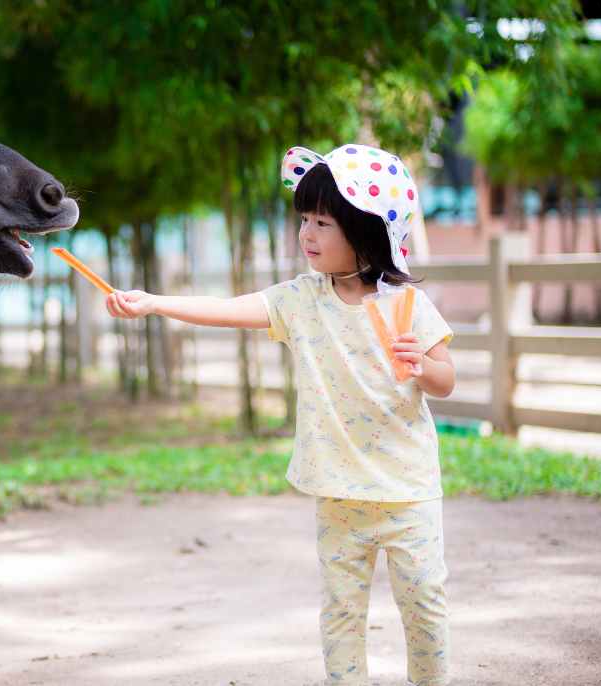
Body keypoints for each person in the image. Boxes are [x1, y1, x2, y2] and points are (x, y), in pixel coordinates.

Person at [107, 144, 455, 686]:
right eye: (304, 220)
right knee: (341, 612)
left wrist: (422, 368)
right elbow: (230, 310)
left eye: (323, 222)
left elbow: (446, 379)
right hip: (338, 491)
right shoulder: (301, 300)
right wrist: (154, 302)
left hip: (408, 490)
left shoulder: (407, 306)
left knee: (425, 607)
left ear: (366, 230)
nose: (307, 234)